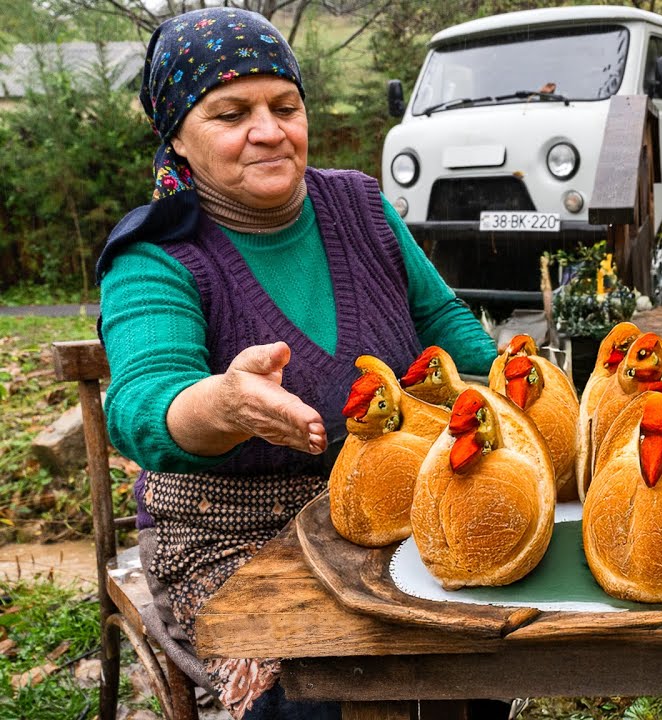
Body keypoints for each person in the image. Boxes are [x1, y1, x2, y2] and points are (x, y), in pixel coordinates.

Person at [96, 8, 497, 719]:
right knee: (321, 696)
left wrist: (515, 388)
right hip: (233, 538)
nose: (269, 130)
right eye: (229, 113)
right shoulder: (156, 255)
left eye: (286, 106)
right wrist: (222, 404)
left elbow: (441, 323)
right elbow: (140, 404)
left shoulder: (361, 206)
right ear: (178, 140)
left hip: (395, 507)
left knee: (479, 660)